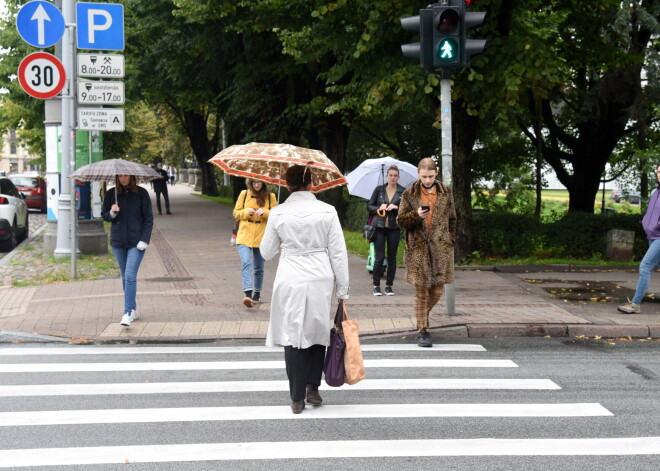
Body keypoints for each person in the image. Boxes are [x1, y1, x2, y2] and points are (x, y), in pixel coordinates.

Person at [260, 164, 349, 414]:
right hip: (320, 275)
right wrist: (343, 291)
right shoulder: (327, 211)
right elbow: (339, 254)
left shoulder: (278, 213)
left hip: (290, 275)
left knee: (293, 334)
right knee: (317, 330)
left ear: (287, 185)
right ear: (311, 184)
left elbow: (266, 253)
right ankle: (313, 388)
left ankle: (296, 397)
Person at [396, 158, 456, 348]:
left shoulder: (446, 192)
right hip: (418, 249)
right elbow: (400, 220)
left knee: (437, 290)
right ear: (418, 174)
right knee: (421, 292)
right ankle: (423, 330)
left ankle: (421, 318)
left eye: (430, 176)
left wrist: (450, 240)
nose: (427, 180)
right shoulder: (409, 193)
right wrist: (416, 215)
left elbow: (453, 218)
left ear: (436, 173)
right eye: (424, 176)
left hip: (440, 248)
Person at [101, 174, 153, 327]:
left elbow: (148, 218)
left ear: (132, 177)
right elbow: (104, 215)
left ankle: (127, 312)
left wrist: (144, 239)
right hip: (118, 241)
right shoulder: (112, 194)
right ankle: (133, 310)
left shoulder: (141, 194)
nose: (123, 178)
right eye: (120, 176)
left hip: (136, 242)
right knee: (125, 277)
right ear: (117, 177)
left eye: (126, 176)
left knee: (130, 276)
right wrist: (112, 212)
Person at [618, 165, 660, 314]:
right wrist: (645, 222)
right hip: (652, 235)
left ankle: (635, 305)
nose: (659, 174)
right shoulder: (655, 192)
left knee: (645, 266)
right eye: (658, 172)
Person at [233, 179, 277, 307]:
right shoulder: (244, 194)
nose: (256, 185)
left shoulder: (270, 196)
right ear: (250, 183)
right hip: (244, 235)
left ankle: (257, 293)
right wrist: (246, 212)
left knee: (258, 267)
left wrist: (266, 212)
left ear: (264, 183)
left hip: (262, 237)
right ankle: (247, 294)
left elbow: (276, 214)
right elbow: (236, 212)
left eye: (258, 182)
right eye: (253, 183)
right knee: (246, 262)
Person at [368, 164, 406, 296]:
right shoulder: (379, 190)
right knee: (379, 258)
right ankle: (376, 286)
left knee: (392, 259)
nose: (393, 178)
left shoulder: (403, 191)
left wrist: (397, 208)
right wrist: (379, 208)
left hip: (394, 228)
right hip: (379, 227)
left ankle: (389, 286)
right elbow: (369, 206)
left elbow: (407, 210)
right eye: (391, 175)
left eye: (395, 176)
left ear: (398, 177)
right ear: (387, 176)